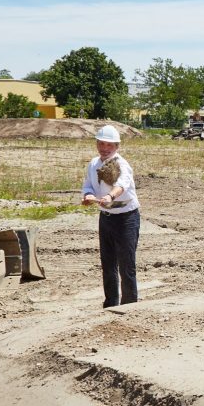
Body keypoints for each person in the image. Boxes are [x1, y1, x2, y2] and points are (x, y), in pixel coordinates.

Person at [81, 124, 140, 308]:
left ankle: (130, 305)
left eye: (109, 145)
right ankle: (111, 304)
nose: (104, 148)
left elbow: (122, 185)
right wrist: (88, 195)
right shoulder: (94, 164)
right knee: (108, 264)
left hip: (126, 218)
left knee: (126, 265)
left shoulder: (122, 164)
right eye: (101, 144)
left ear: (117, 146)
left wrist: (110, 196)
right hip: (106, 218)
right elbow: (88, 185)